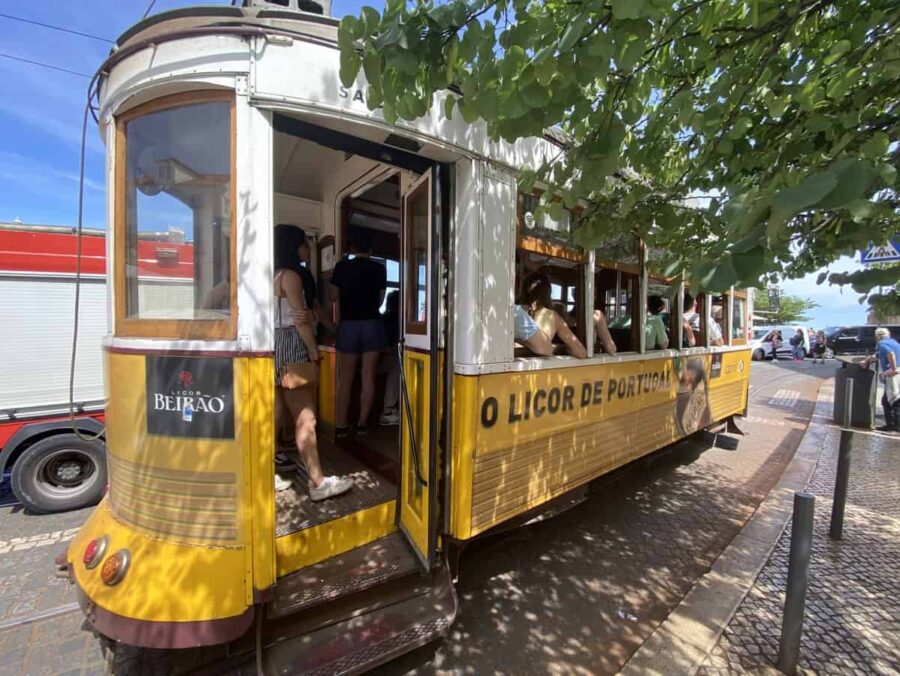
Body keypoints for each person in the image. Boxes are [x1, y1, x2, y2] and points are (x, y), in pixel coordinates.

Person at [273, 224, 352, 500]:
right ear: (292, 246)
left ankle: (270, 472)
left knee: (277, 413)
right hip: (292, 344)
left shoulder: (272, 276)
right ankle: (318, 483)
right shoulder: (292, 277)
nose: (307, 249)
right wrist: (313, 352)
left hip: (273, 345)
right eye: (304, 244)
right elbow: (300, 320)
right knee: (306, 418)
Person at [330, 228, 387, 437]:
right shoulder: (379, 268)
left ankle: (341, 425)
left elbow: (333, 297)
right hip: (372, 323)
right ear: (371, 248)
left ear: (352, 247)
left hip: (349, 325)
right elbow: (380, 301)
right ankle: (363, 423)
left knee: (345, 378)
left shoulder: (342, 267)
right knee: (368, 376)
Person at [519, 271, 587, 358]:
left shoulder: (513, 312)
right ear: (547, 293)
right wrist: (563, 348)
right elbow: (581, 352)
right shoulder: (551, 316)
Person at [862, 327, 900, 433]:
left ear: (877, 337)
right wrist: (866, 360)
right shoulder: (893, 342)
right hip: (896, 372)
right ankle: (892, 425)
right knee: (889, 400)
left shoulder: (882, 344)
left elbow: (890, 354)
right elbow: (877, 355)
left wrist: (893, 368)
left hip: (894, 374)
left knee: (893, 400)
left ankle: (894, 426)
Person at [378, 290, 401, 425]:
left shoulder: (383, 319)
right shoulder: (388, 321)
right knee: (396, 365)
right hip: (380, 359)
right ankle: (388, 410)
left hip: (378, 358)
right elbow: (383, 346)